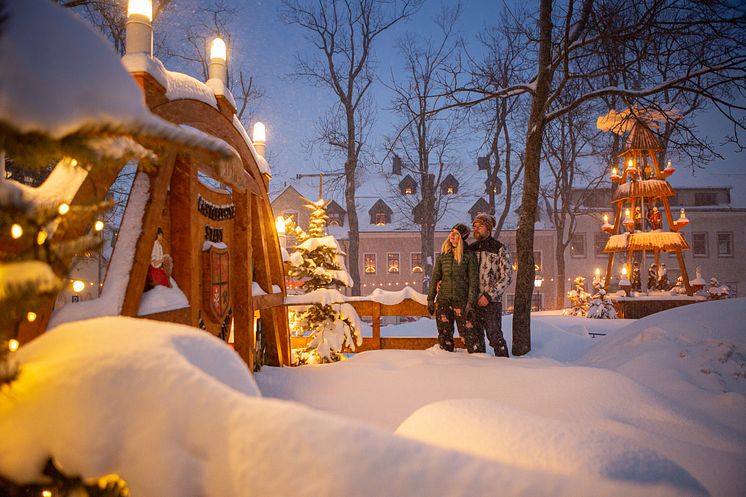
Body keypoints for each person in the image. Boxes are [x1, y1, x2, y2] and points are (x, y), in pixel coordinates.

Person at [427, 224, 478, 352]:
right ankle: (446, 363)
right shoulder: (443, 256)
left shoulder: (468, 256)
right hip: (444, 300)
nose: (452, 235)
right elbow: (435, 277)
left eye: (456, 233)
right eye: (451, 232)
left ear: (462, 238)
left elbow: (473, 281)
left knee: (468, 335)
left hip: (461, 301)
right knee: (444, 335)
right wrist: (430, 298)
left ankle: (477, 361)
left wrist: (471, 302)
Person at [468, 213, 512, 357]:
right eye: (474, 226)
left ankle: (504, 367)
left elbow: (507, 277)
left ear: (488, 228)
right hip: (472, 301)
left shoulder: (499, 248)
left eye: (480, 226)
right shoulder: (470, 249)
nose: (476, 229)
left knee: (495, 337)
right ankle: (480, 372)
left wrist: (488, 295)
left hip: (491, 303)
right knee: (475, 340)